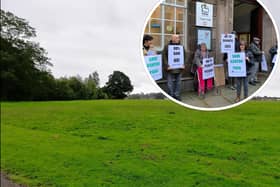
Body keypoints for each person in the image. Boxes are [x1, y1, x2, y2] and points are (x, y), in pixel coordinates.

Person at [163, 34, 186, 101]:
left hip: (179, 68)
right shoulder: (167, 46)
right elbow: (164, 57)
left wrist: (183, 64)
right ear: (172, 38)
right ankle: (171, 95)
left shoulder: (181, 46)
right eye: (175, 38)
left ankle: (177, 95)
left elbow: (185, 56)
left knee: (178, 82)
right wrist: (167, 65)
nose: (177, 39)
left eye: (178, 38)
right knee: (170, 83)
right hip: (170, 68)